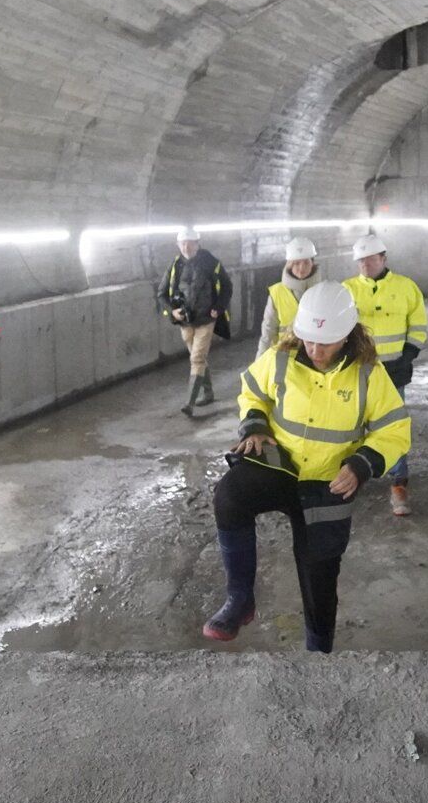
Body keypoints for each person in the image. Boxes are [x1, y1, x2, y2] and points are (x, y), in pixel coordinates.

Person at [202, 282, 411, 653]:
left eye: (325, 342)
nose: (315, 350)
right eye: (309, 340)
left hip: (329, 482)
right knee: (230, 495)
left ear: (347, 335)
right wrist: (255, 426)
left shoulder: (368, 373)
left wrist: (362, 465)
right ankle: (239, 599)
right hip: (279, 465)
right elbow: (253, 391)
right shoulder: (280, 358)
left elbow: (394, 429)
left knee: (320, 575)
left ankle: (318, 650)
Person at [343, 234, 427, 515]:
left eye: (370, 259)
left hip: (394, 371)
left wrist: (408, 355)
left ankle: (398, 483)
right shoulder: (347, 289)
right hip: (357, 370)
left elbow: (418, 324)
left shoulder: (406, 287)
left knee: (393, 427)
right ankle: (351, 475)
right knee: (351, 425)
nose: (364, 265)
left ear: (383, 258)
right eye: (360, 261)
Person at [159, 226, 231, 415]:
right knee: (198, 358)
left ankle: (189, 403)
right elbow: (161, 293)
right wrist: (173, 311)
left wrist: (218, 308)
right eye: (183, 243)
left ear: (197, 244)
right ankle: (208, 393)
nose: (186, 247)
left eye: (190, 243)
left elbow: (227, 286)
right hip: (185, 321)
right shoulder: (175, 266)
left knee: (197, 358)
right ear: (178, 245)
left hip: (206, 319)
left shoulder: (210, 262)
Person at [257, 237, 321, 357]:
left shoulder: (323, 291)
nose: (301, 268)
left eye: (306, 262)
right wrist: (259, 362)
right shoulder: (277, 292)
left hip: (316, 356)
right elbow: (268, 332)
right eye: (296, 263)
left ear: (312, 263)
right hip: (285, 356)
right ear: (289, 264)